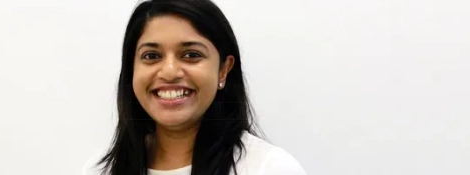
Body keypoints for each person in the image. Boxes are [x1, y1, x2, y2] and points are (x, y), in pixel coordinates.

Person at [82, 0, 306, 174]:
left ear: (223, 70)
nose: (169, 71)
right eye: (151, 56)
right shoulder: (100, 170)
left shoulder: (268, 168)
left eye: (191, 55)